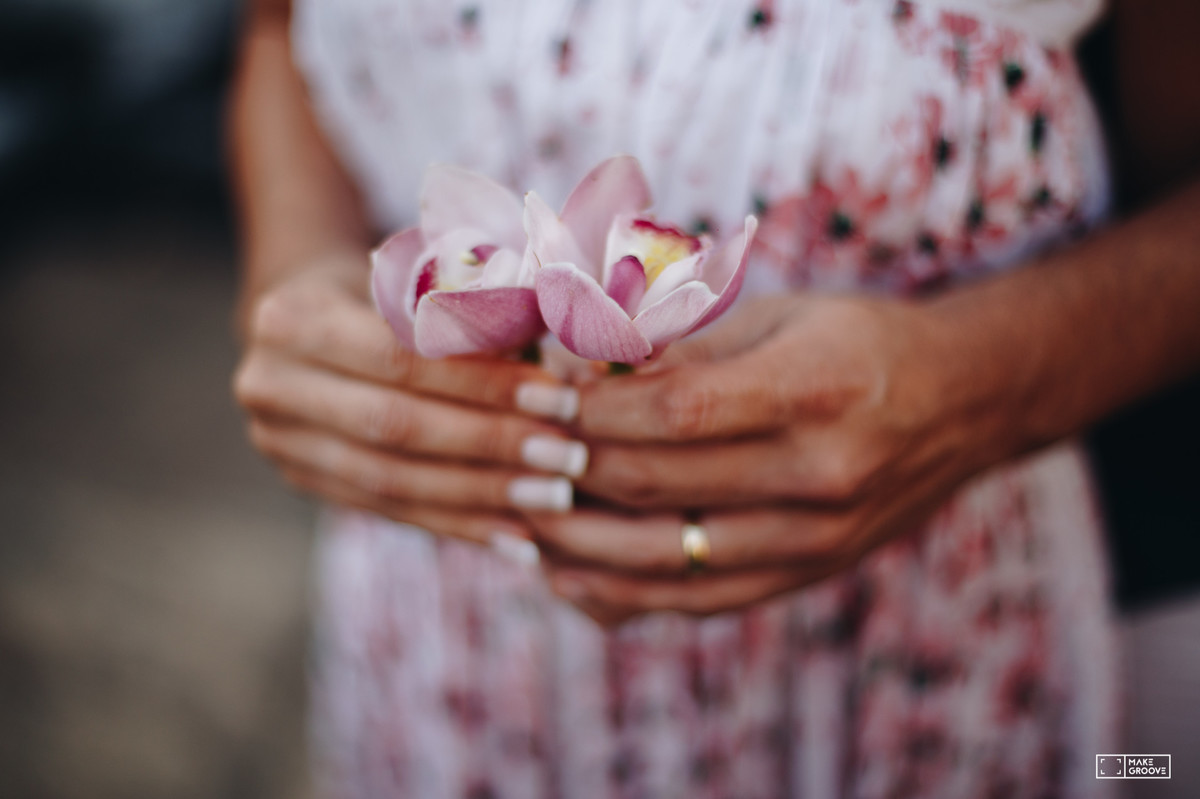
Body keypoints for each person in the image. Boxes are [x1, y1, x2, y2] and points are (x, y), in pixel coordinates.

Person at [230, 0, 1200, 796]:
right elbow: (278, 30)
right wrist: (293, 267)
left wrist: (986, 383)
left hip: (929, 652)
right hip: (449, 651)